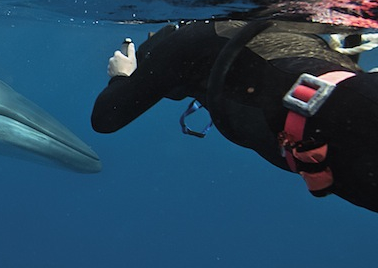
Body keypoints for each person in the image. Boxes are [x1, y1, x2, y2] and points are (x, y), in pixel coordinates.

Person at [91, 20, 378, 213]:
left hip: (336, 142)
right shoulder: (292, 23)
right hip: (345, 113)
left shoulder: (185, 42)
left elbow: (105, 119)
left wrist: (122, 76)